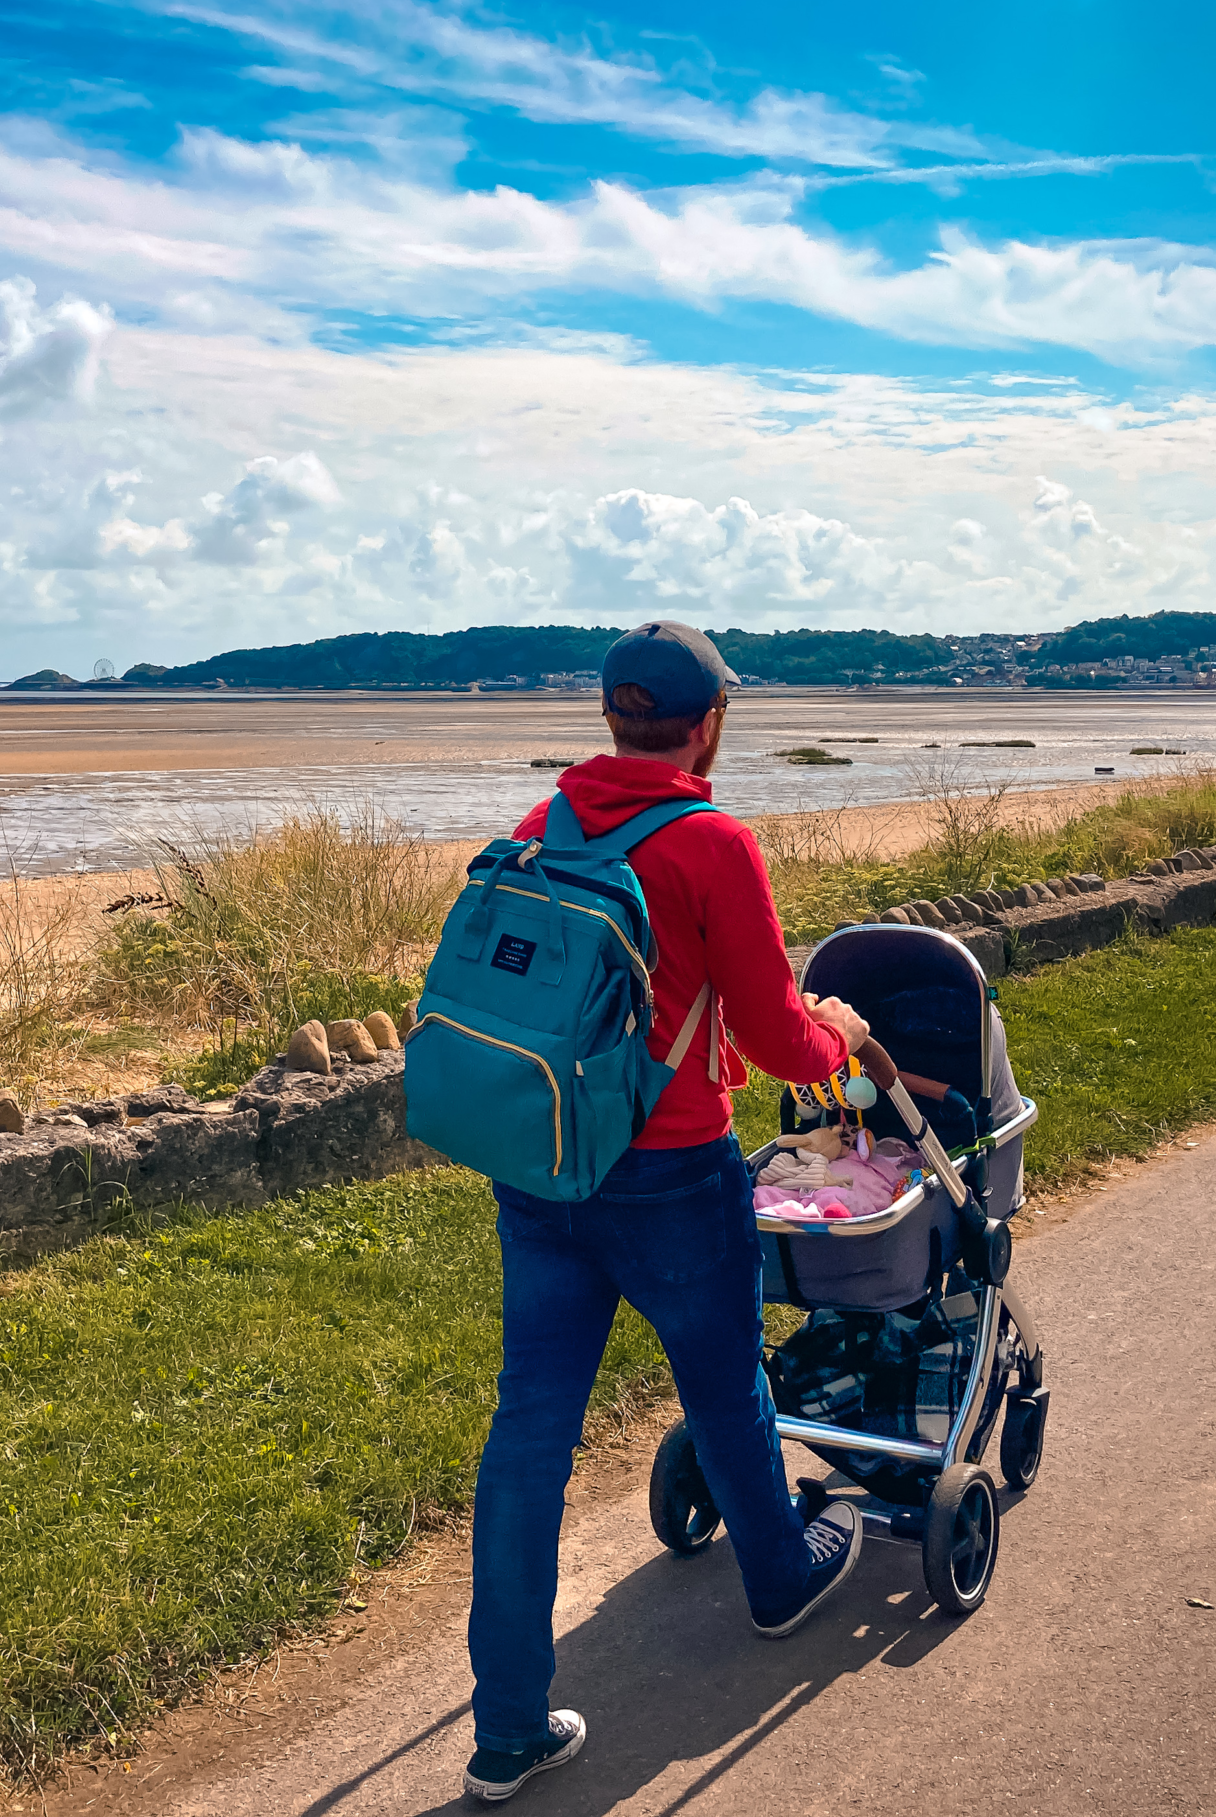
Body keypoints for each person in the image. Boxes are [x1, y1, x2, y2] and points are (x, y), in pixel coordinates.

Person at [460, 620, 874, 1803]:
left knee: (528, 1434)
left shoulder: (541, 827)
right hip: (673, 1171)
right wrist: (834, 1032)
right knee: (724, 1378)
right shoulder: (710, 842)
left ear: (609, 717)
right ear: (707, 726)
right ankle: (779, 1578)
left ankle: (505, 1727)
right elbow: (768, 1037)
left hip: (542, 1169)